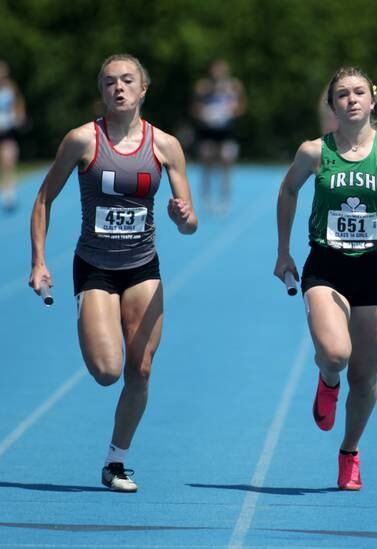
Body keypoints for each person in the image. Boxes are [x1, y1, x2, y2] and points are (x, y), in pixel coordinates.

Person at [29, 54, 198, 492]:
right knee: (107, 371)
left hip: (143, 267)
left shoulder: (166, 146)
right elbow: (44, 197)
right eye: (109, 82)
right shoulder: (82, 141)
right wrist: (39, 260)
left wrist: (182, 216)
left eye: (127, 81)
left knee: (140, 370)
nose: (118, 88)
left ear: (144, 90)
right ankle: (88, 313)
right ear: (101, 91)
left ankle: (116, 462)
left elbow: (190, 221)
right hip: (95, 268)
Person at [274, 67, 377, 491]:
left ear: (373, 101)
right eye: (342, 94)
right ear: (332, 105)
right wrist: (283, 251)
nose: (352, 99)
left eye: (359, 93)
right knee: (336, 354)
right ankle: (327, 379)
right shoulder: (314, 152)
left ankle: (350, 451)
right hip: (326, 266)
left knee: (366, 379)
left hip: (373, 271)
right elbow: (287, 191)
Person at [192, 59, 246, 215]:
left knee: (226, 162)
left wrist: (229, 112)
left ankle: (224, 198)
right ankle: (206, 198)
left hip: (226, 130)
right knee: (206, 161)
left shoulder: (234, 86)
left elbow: (241, 106)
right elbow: (195, 107)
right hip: (208, 130)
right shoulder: (203, 87)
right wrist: (205, 114)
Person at [0, 60, 26, 212]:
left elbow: (19, 103)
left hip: (8, 131)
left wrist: (20, 117)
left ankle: (9, 191)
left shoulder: (11, 87)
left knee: (9, 159)